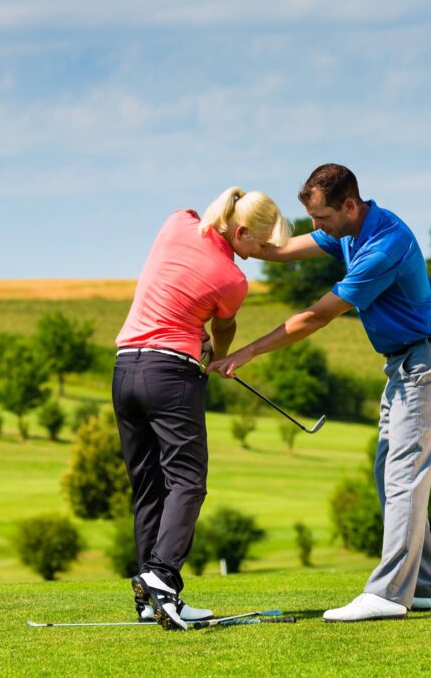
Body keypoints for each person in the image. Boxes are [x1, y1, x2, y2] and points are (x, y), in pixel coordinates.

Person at [209, 164, 431, 622]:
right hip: (403, 365)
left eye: (321, 219)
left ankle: (388, 593)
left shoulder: (385, 245)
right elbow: (283, 251)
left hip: (426, 363)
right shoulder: (346, 229)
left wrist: (243, 353)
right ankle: (424, 587)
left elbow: (316, 316)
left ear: (349, 205)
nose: (317, 229)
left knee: (405, 474)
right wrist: (230, 242)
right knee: (391, 473)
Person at [115, 186, 290, 631]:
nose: (263, 253)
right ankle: (162, 579)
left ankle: (150, 598)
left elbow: (181, 289)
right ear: (243, 230)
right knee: (188, 481)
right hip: (171, 375)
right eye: (262, 244)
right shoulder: (233, 281)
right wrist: (214, 357)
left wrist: (198, 336)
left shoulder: (177, 222)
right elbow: (222, 328)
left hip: (124, 370)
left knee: (150, 485)